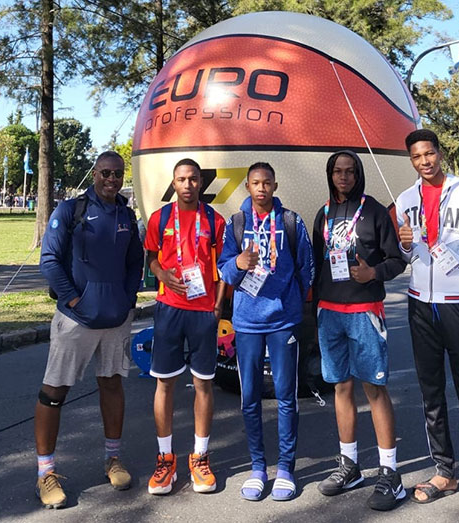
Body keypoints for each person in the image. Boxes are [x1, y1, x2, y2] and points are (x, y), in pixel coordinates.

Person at [394, 129, 459, 519]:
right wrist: (406, 243)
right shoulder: (406, 200)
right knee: (431, 393)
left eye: (429, 153)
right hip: (421, 304)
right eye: (417, 156)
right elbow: (407, 255)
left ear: (439, 154)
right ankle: (444, 472)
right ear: (411, 160)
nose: (425, 161)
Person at [35, 150, 145, 509]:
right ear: (94, 173)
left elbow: (135, 263)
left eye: (118, 174)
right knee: (54, 392)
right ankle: (46, 473)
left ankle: (113, 458)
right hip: (76, 320)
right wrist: (72, 301)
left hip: (115, 321)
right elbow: (49, 260)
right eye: (106, 173)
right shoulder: (70, 210)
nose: (112, 180)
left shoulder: (126, 215)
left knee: (111, 384)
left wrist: (128, 299)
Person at [312, 150, 408, 511]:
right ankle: (349, 465)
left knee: (375, 388)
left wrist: (373, 274)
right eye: (338, 171)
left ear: (359, 175)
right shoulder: (322, 213)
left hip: (365, 310)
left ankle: (390, 473)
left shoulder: (375, 212)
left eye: (350, 171)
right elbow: (316, 263)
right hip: (329, 312)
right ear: (330, 175)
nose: (344, 177)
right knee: (340, 387)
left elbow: (397, 259)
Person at [217, 162, 315, 502]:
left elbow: (307, 266)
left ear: (275, 185)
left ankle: (286, 467)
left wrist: (292, 302)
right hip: (246, 323)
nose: (261, 188)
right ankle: (258, 466)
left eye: (267, 183)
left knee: (287, 396)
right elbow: (224, 271)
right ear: (247, 186)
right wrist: (237, 264)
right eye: (256, 183)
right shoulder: (237, 223)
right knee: (249, 399)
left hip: (282, 321)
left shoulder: (290, 221)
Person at [143, 158, 227, 495]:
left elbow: (223, 265)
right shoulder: (159, 218)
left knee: (203, 384)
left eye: (193, 179)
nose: (188, 185)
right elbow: (151, 255)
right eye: (182, 179)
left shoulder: (214, 219)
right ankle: (165, 459)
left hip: (204, 311)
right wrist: (161, 274)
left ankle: (200, 457)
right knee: (165, 384)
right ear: (174, 183)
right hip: (169, 310)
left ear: (201, 183)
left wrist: (219, 306)